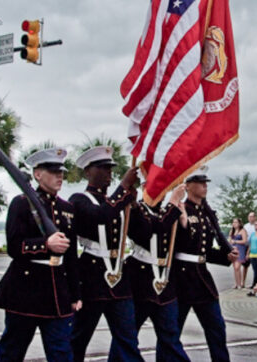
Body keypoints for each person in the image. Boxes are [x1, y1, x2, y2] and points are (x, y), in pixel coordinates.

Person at [0, 148, 81, 362]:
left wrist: (75, 294)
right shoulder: (22, 204)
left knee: (62, 352)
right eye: (52, 171)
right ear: (37, 174)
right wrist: (45, 244)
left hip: (57, 292)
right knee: (12, 351)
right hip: (25, 290)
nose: (59, 176)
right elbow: (14, 246)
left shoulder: (66, 208)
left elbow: (71, 256)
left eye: (61, 171)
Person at [68, 146, 143, 362]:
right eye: (102, 168)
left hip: (119, 276)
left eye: (110, 168)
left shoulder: (117, 202)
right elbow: (99, 216)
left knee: (128, 338)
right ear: (88, 172)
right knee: (79, 337)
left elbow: (140, 232)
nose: (108, 173)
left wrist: (134, 204)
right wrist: (123, 188)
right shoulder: (79, 200)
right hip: (91, 274)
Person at [110, 184, 190, 362]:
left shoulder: (168, 213)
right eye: (154, 188)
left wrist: (184, 223)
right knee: (129, 334)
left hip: (164, 281)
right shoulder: (136, 210)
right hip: (140, 279)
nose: (159, 193)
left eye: (162, 189)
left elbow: (182, 246)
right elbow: (148, 232)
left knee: (170, 334)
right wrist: (174, 203)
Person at [173, 166, 238, 362]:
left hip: (202, 280)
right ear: (188, 186)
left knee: (217, 328)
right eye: (200, 182)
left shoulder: (207, 215)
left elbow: (204, 251)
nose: (204, 186)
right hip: (182, 279)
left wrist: (224, 257)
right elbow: (177, 246)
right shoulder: (181, 210)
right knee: (172, 331)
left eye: (205, 182)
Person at [229, 218, 248, 288]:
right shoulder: (232, 231)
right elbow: (230, 239)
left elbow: (245, 241)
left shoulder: (243, 231)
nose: (234, 224)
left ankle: (240, 284)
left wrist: (235, 242)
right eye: (233, 222)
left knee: (237, 267)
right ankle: (236, 284)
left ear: (239, 223)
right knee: (234, 267)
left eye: (236, 222)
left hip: (240, 250)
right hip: (233, 250)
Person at [241, 211, 257, 290]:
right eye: (249, 217)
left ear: (255, 217)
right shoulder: (245, 226)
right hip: (246, 246)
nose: (250, 218)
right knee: (245, 265)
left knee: (255, 266)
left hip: (255, 247)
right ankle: (243, 282)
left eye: (252, 216)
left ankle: (255, 283)